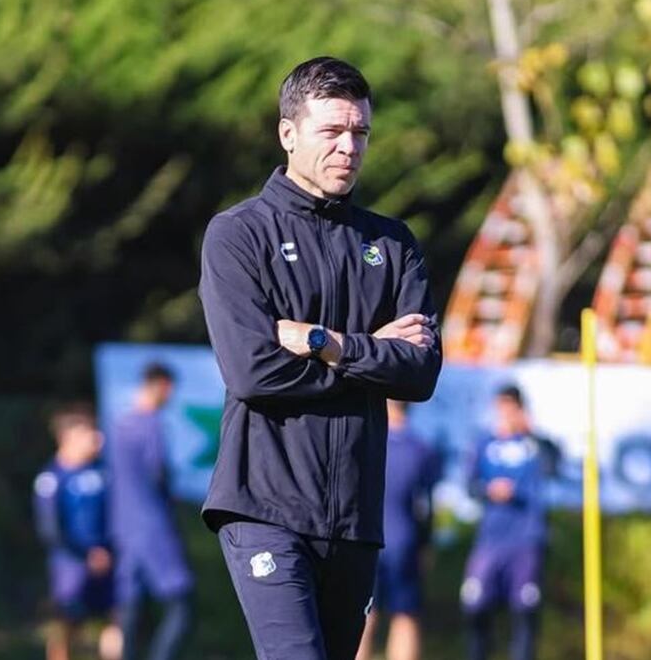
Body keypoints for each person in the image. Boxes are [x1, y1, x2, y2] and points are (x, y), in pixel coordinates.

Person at [198, 56, 442, 660]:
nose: (348, 147)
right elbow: (254, 372)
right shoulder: (238, 234)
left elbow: (419, 373)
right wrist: (372, 354)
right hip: (264, 508)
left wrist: (325, 343)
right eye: (331, 131)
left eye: (360, 132)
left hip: (355, 519)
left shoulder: (392, 243)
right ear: (288, 134)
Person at [460, 384, 561, 660]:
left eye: (510, 408)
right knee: (476, 606)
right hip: (490, 540)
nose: (504, 415)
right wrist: (489, 490)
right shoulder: (484, 443)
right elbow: (470, 485)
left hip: (526, 540)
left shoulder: (535, 445)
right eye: (500, 408)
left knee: (525, 611)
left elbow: (554, 465)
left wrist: (532, 433)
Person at [109, 363, 194, 660]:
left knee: (131, 608)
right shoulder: (152, 425)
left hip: (124, 528)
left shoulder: (120, 424)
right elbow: (158, 473)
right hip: (153, 526)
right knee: (182, 606)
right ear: (161, 385)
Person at [33, 404, 122, 660]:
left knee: (118, 620)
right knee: (67, 626)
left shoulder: (104, 472)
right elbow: (49, 529)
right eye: (89, 433)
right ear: (69, 437)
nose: (97, 439)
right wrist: (85, 556)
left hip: (108, 561)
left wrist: (110, 550)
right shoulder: (51, 479)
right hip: (71, 565)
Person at [356, 400, 440, 660]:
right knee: (405, 617)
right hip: (405, 539)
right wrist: (426, 545)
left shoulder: (364, 439)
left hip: (364, 539)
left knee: (363, 617)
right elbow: (425, 506)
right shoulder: (422, 449)